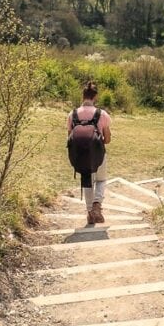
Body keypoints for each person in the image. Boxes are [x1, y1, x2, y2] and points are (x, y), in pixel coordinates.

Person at [67, 80, 112, 226]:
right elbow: (107, 139)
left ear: (83, 96)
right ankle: (97, 205)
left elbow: (70, 137)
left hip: (80, 156)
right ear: (95, 97)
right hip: (98, 154)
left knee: (87, 181)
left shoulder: (72, 114)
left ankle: (89, 213)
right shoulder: (102, 114)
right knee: (101, 180)